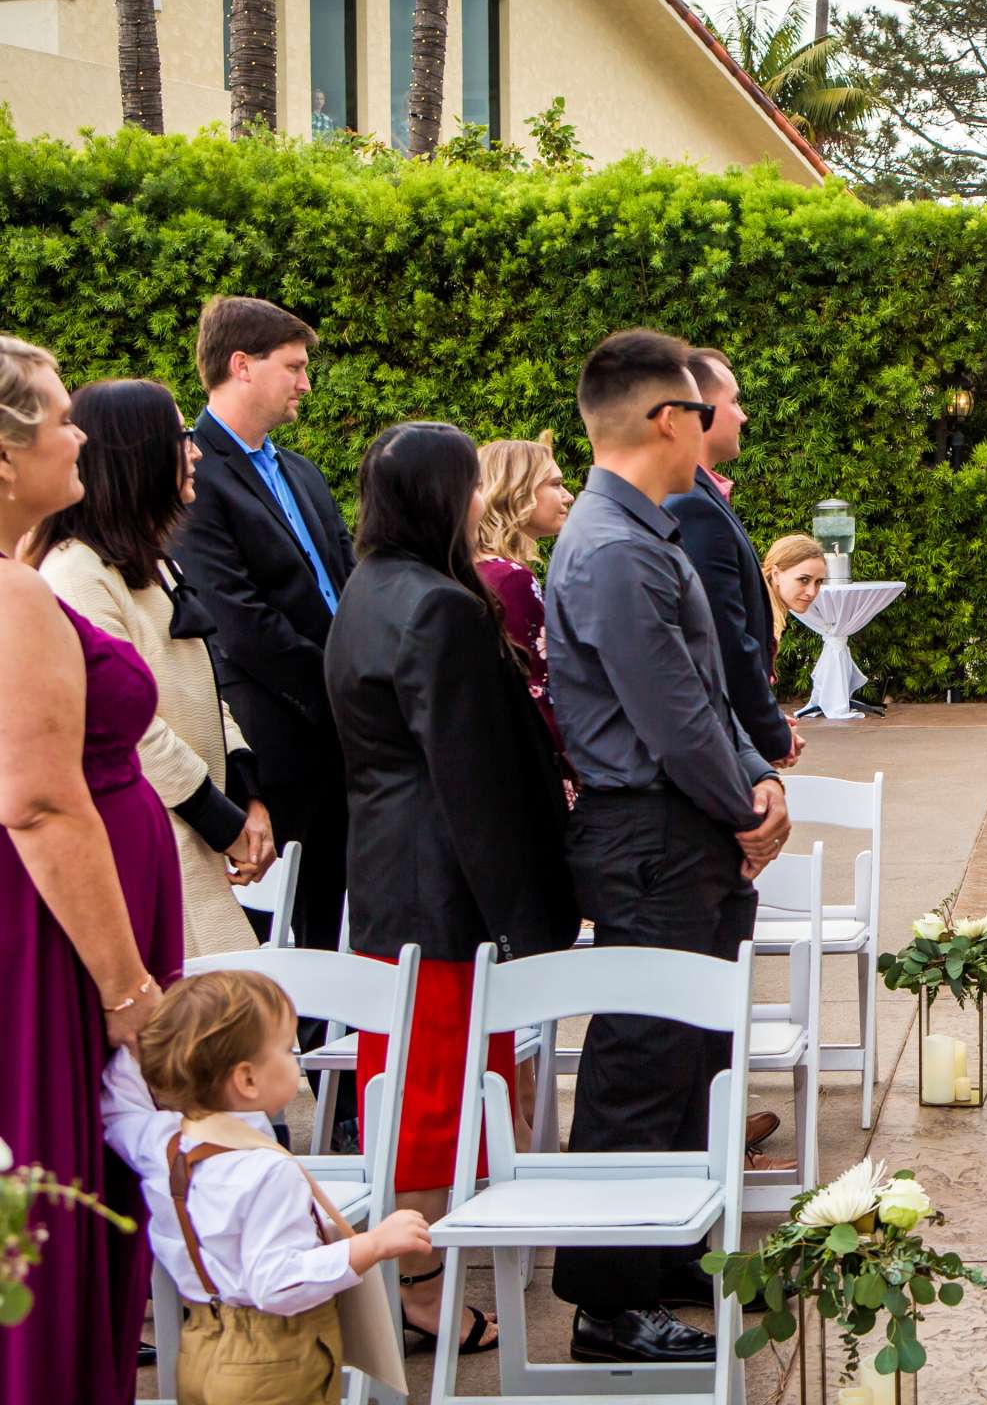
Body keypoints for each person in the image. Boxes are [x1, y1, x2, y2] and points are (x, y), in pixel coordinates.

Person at [543, 329, 790, 1363]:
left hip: (688, 820)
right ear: (665, 420)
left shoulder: (642, 530)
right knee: (642, 1060)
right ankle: (607, 1305)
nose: (712, 429)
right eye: (702, 412)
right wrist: (745, 801)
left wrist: (757, 779)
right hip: (651, 829)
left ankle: (665, 1249)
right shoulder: (608, 544)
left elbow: (711, 687)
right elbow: (669, 710)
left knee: (696, 1049)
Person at [325, 422, 580, 1352]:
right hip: (444, 888)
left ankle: (412, 1271)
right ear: (441, 497)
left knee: (411, 1080)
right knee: (436, 1088)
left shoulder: (366, 587)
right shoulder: (441, 604)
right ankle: (418, 1288)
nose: (481, 501)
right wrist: (529, 918)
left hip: (386, 871)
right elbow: (475, 779)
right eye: (470, 485)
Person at [0, 334, 178, 1404]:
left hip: (55, 922)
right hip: (52, 942)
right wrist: (127, 987)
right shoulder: (14, 598)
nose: (80, 433)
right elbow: (37, 799)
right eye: (61, 416)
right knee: (55, 1190)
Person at [100, 970, 432, 1405]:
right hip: (276, 1357)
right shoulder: (265, 1172)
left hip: (201, 1342)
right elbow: (276, 1283)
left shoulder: (163, 1143)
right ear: (247, 1081)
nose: (295, 1060)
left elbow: (118, 1108)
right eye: (286, 1050)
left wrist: (144, 1034)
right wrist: (373, 1245)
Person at [32, 380, 275, 958]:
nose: (194, 450)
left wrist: (249, 795)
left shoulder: (151, 562)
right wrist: (221, 820)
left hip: (191, 839)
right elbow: (128, 725)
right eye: (180, 437)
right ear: (135, 453)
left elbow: (203, 682)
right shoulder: (76, 575)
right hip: (151, 842)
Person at [175, 296, 355, 957]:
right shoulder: (194, 475)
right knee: (280, 945)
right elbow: (238, 619)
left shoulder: (301, 472)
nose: (306, 383)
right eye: (294, 367)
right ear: (242, 365)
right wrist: (337, 688)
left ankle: (315, 1059)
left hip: (339, 734)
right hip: (276, 735)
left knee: (331, 929)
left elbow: (347, 576)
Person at [666, 348, 801, 770]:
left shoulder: (700, 495)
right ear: (700, 411)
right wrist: (767, 732)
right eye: (735, 401)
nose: (743, 416)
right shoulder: (691, 504)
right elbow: (725, 634)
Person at [474, 432, 576, 767]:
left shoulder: (478, 568)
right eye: (555, 484)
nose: (569, 496)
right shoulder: (511, 578)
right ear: (515, 491)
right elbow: (538, 688)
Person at [761, 531, 828, 660]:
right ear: (776, 575)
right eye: (803, 580)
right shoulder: (759, 617)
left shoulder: (766, 611)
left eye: (818, 582)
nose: (812, 592)